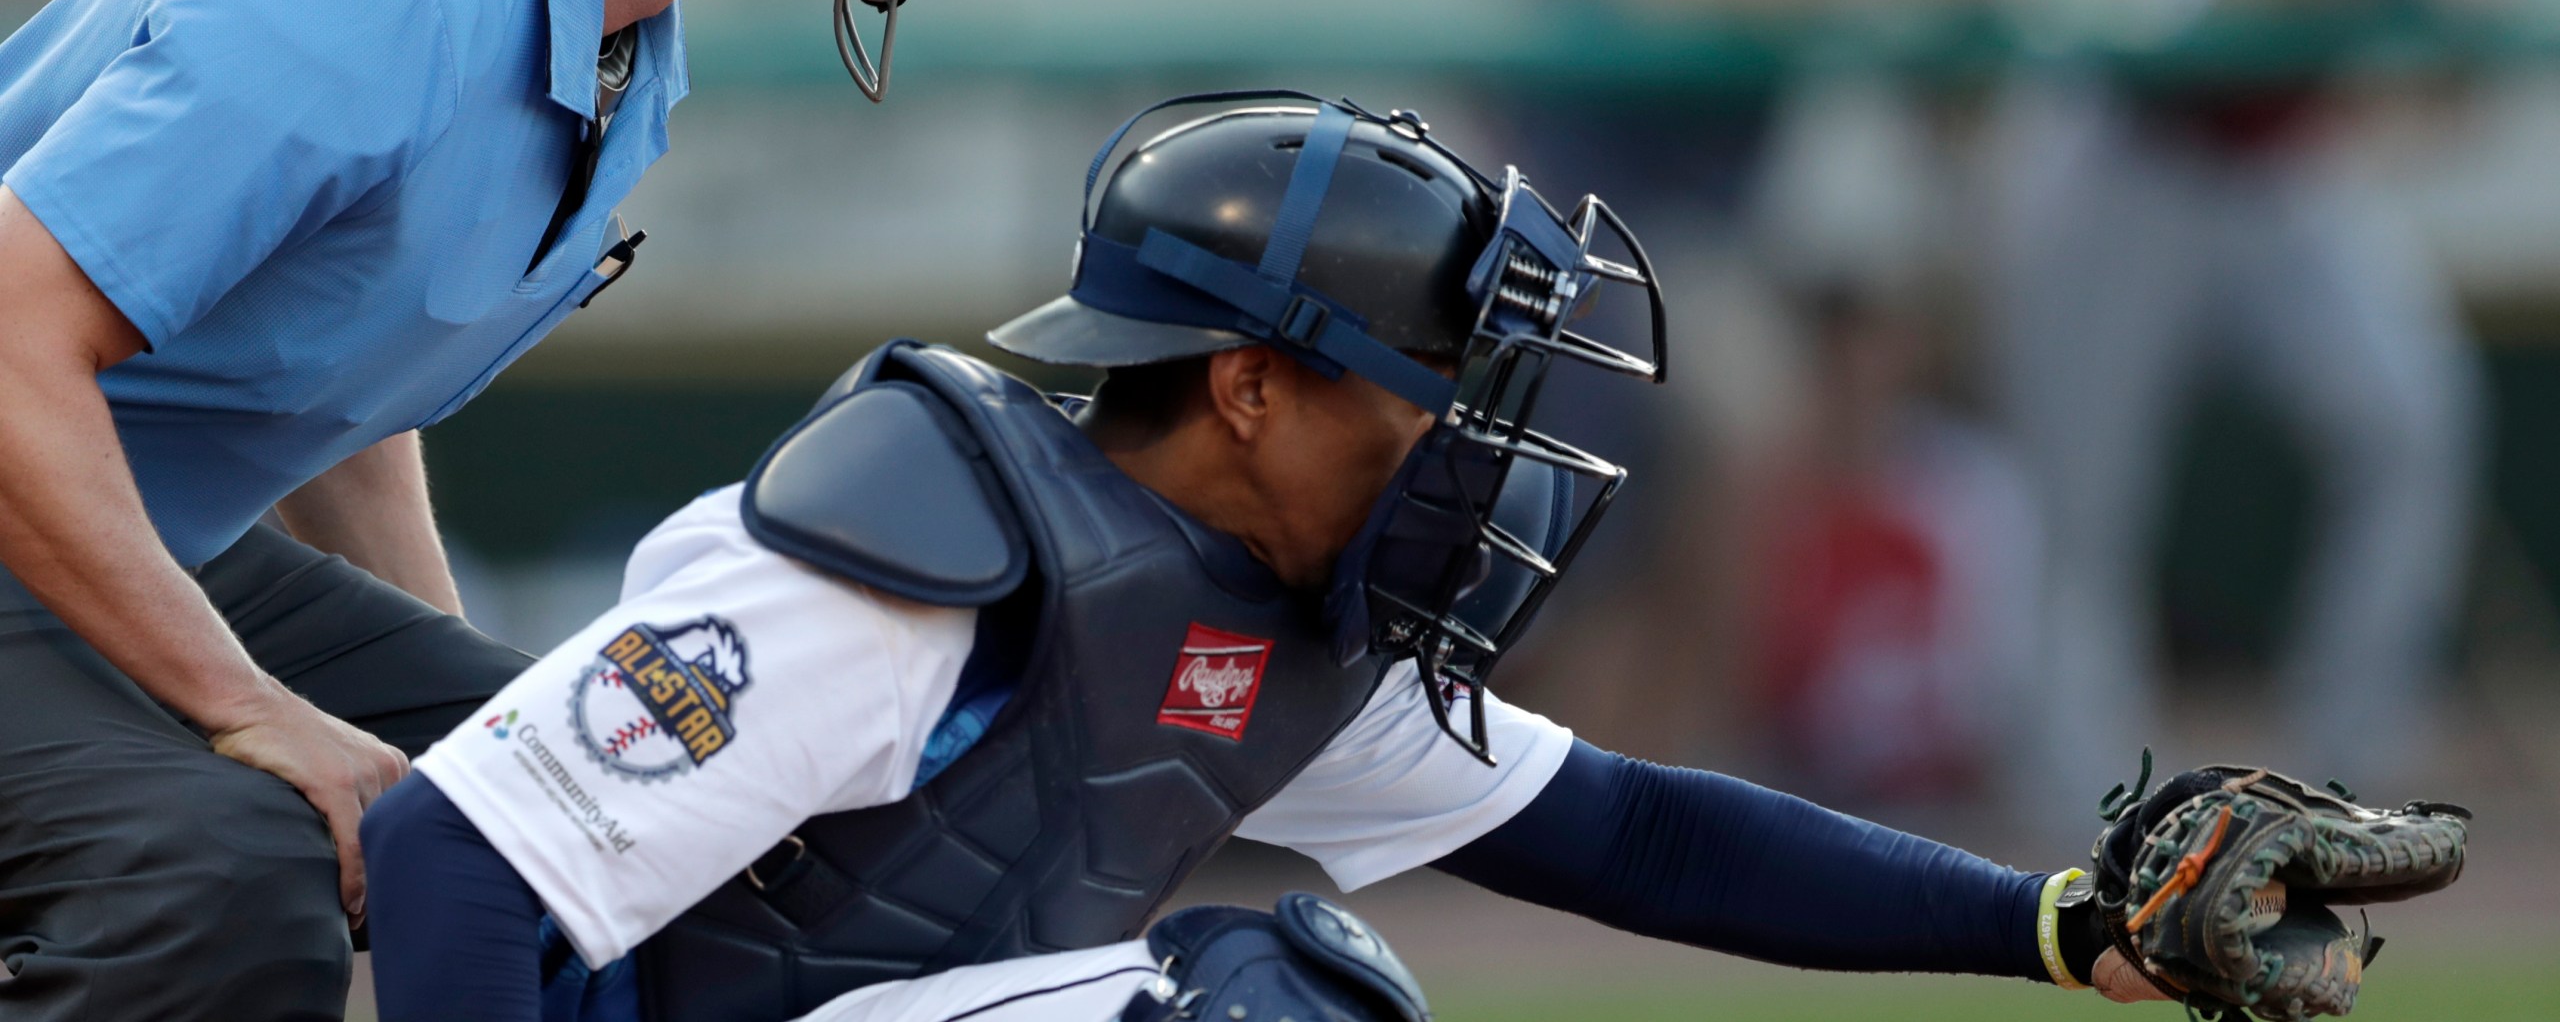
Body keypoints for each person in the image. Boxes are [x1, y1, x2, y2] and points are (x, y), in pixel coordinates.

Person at [362, 94, 2202, 1022]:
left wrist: (2056, 928)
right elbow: (453, 851)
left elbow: (1631, 832)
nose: (1471, 444)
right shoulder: (922, 551)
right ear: (1247, 386)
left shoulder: (1285, 608)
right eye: (1435, 390)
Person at [0, 0, 1022, 1016]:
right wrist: (259, 714)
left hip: (116, 515)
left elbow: (331, 357)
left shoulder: (617, 19)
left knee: (615, 799)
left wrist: (478, 752)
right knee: (212, 874)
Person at [1991, 0, 2552, 830]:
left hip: (2281, 163)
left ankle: (2338, 772)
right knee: (2087, 499)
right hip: (2126, 152)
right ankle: (2087, 813)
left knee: (2407, 419)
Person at [1516, 0, 2024, 757]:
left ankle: (1690, 761)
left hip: (1730, 212)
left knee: (1810, 411)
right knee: (1698, 453)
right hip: (1577, 209)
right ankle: (1643, 771)